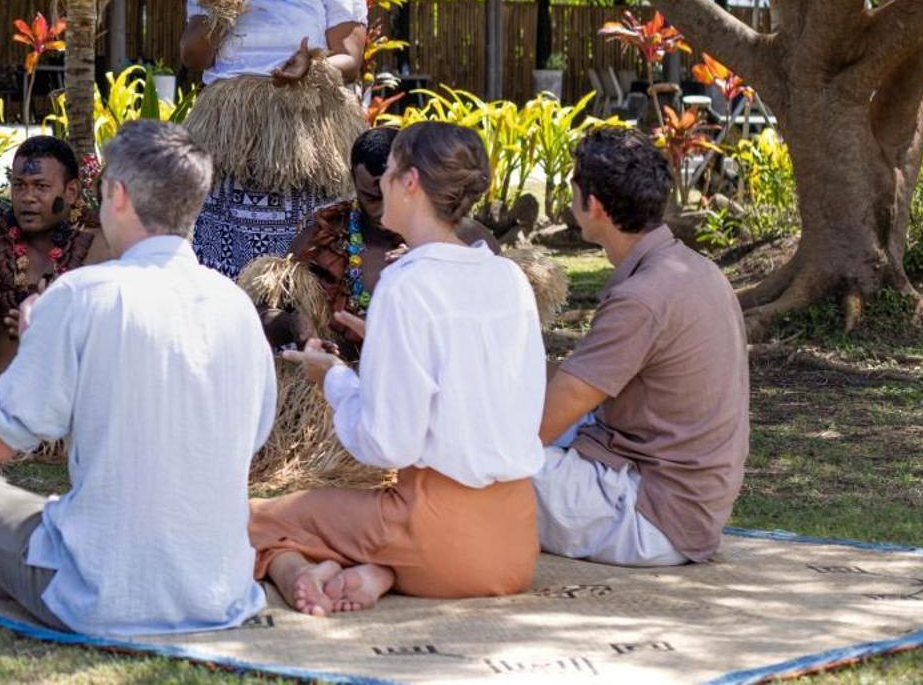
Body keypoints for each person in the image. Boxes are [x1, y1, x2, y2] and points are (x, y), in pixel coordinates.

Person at [0, 121, 276, 637]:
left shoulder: (82, 295)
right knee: (75, 508)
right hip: (219, 590)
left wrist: (37, 335)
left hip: (100, 593)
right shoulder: (237, 305)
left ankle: (24, 573)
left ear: (116, 194)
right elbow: (253, 439)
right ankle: (11, 572)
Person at [249, 123, 545, 615]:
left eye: (387, 173)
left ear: (410, 182)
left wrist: (335, 381)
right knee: (327, 518)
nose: (377, 185)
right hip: (515, 541)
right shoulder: (507, 277)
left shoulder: (406, 284)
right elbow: (485, 379)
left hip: (434, 532)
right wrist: (387, 348)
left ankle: (304, 567)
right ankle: (377, 570)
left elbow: (389, 443)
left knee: (250, 518)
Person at [535, 127, 749, 567]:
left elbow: (541, 424)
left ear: (593, 206)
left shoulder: (642, 298)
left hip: (652, 516)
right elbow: (567, 381)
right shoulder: (694, 268)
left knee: (466, 462)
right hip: (687, 505)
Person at [179, 0, 367, 277]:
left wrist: (313, 66)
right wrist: (225, 0)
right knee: (221, 235)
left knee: (307, 243)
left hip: (306, 124)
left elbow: (350, 58)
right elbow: (194, 56)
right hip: (229, 128)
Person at [258, 125, 500, 357]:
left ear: (412, 181)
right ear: (353, 180)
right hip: (332, 388)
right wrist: (293, 325)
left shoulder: (468, 240)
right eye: (371, 197)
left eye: (390, 194)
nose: (381, 210)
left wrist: (434, 267)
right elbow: (260, 314)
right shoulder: (319, 238)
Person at [0, 136, 109, 373]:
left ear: (71, 191)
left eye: (41, 186)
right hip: (1, 398)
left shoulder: (102, 246)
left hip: (78, 400)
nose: (27, 197)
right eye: (19, 185)